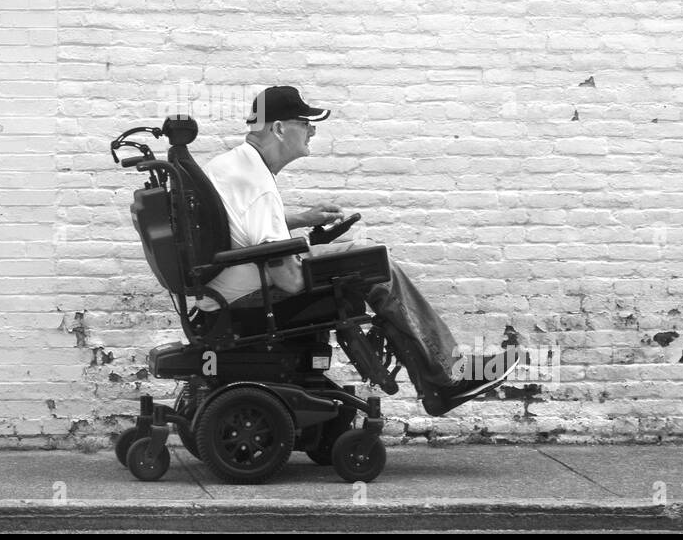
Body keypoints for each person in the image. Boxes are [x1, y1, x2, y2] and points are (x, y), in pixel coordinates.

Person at [201, 85, 520, 414]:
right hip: (250, 298)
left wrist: (300, 221)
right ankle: (448, 378)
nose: (312, 130)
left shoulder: (231, 165)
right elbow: (289, 280)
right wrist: (326, 264)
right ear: (279, 129)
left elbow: (240, 223)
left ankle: (439, 381)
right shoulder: (257, 184)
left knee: (361, 259)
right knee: (374, 263)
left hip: (223, 289)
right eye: (306, 123)